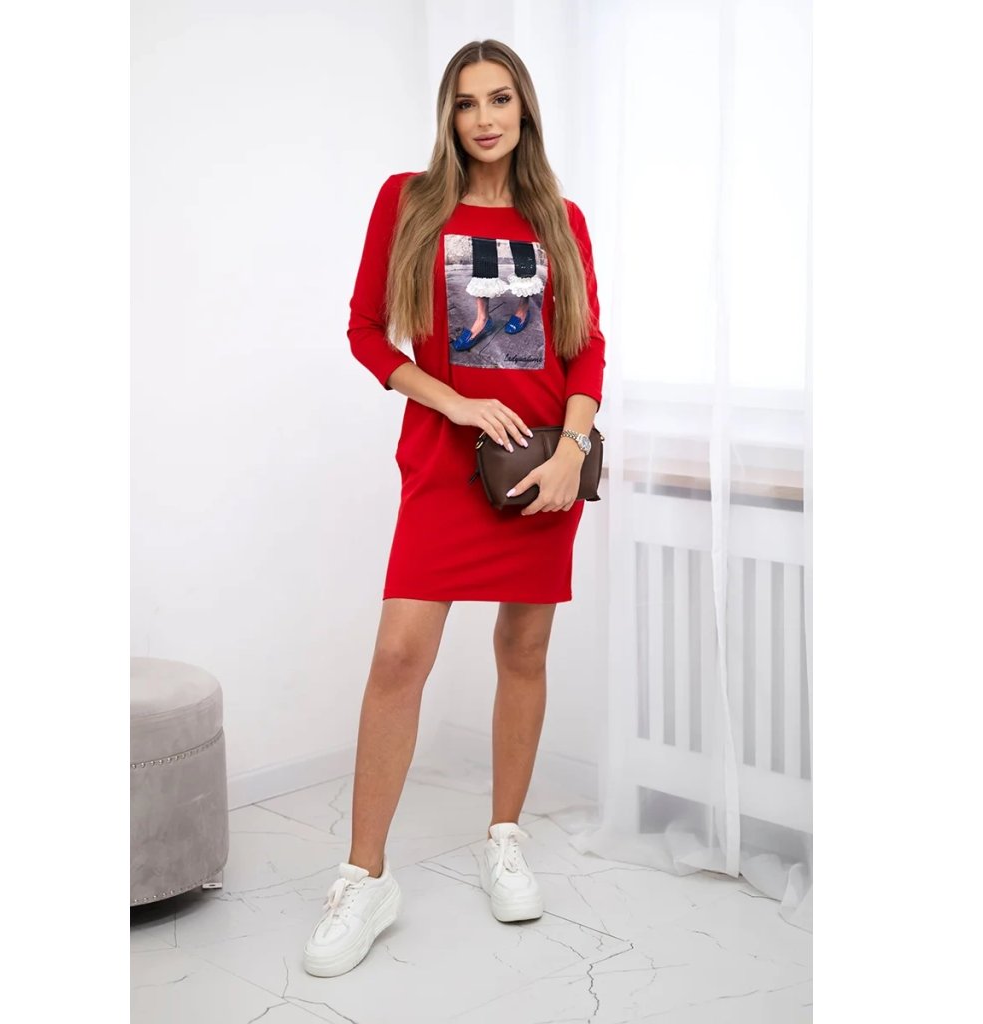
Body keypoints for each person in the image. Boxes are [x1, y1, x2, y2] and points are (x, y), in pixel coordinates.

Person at [302, 38, 606, 978]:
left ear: (525, 110)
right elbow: (365, 331)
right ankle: (364, 877)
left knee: (525, 649)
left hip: (540, 464)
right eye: (467, 102)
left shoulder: (560, 219)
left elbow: (587, 346)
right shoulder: (408, 201)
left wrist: (573, 448)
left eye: (500, 99)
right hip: (444, 462)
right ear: (448, 115)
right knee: (400, 654)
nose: (483, 118)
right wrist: (454, 400)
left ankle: (504, 838)